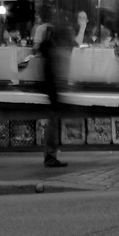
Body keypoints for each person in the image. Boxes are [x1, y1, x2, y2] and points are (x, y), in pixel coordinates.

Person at [40, 22, 73, 169]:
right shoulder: (55, 52)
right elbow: (58, 74)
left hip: (51, 91)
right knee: (52, 124)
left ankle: (50, 155)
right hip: (53, 92)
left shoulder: (48, 50)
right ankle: (50, 156)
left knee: (52, 123)